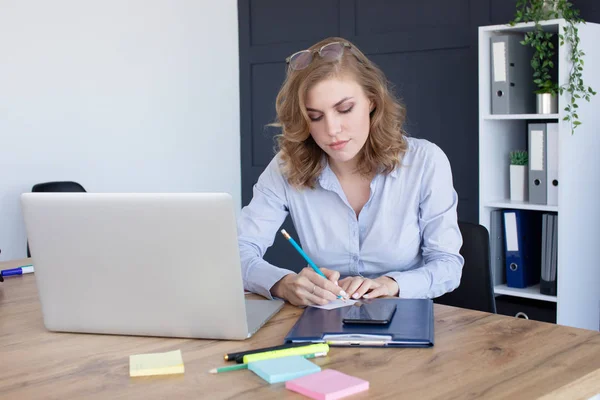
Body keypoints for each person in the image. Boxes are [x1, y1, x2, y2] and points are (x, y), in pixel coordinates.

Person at [237, 37, 464, 307]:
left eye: (344, 109)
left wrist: (391, 284)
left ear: (372, 100)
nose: (332, 129)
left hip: (406, 318)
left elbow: (448, 266)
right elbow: (238, 251)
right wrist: (283, 283)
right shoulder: (286, 167)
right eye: (315, 116)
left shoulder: (425, 162)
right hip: (325, 321)